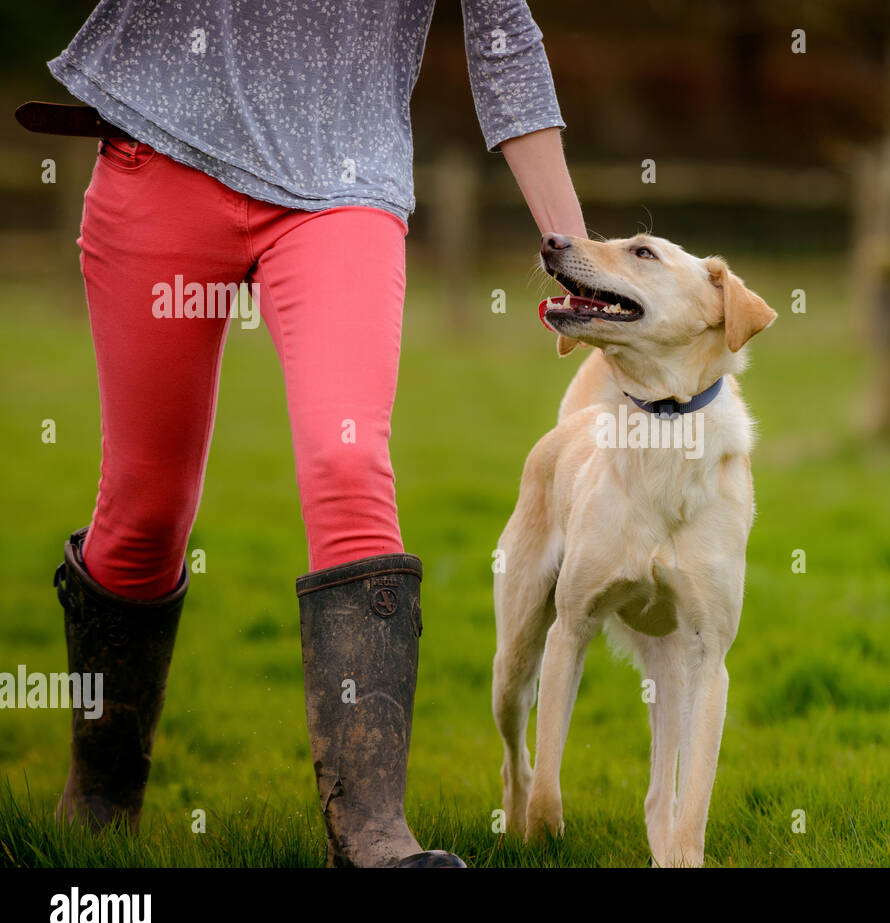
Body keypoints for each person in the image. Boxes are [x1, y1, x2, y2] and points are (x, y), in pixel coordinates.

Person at [40, 0, 584, 868]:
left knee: (347, 454)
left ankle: (369, 833)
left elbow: (504, 35)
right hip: (165, 153)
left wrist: (573, 249)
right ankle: (99, 805)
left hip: (344, 180)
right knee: (144, 513)